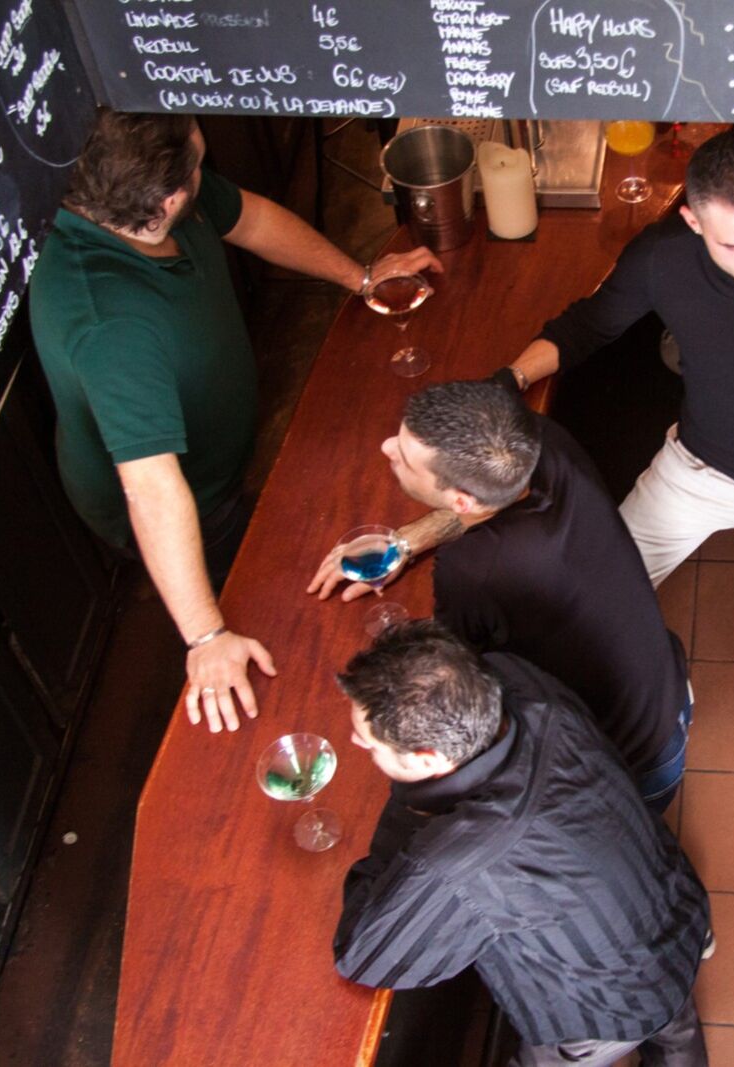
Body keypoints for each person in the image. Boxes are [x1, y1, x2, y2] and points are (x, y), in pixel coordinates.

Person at [29, 108, 440, 734]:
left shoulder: (140, 194)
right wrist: (205, 636)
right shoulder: (109, 326)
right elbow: (153, 490)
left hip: (215, 456)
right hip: (186, 498)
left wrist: (359, 278)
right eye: (199, 159)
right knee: (275, 605)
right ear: (168, 200)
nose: (206, 151)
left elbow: (250, 218)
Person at [503, 130, 734, 772]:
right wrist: (512, 379)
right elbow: (586, 326)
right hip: (699, 464)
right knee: (603, 581)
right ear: (691, 220)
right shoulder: (661, 257)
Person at [333, 621, 711, 1067]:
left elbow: (367, 957)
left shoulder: (468, 854)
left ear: (429, 760)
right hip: (677, 911)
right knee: (675, 1026)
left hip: (601, 1012)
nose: (355, 741)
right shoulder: (520, 683)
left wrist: (406, 817)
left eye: (369, 743)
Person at [307, 380, 692, 812]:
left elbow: (452, 678)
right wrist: (407, 541)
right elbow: (484, 506)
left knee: (634, 841)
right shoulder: (542, 441)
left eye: (404, 456)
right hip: (666, 689)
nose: (386, 448)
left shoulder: (473, 568)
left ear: (460, 499)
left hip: (628, 756)